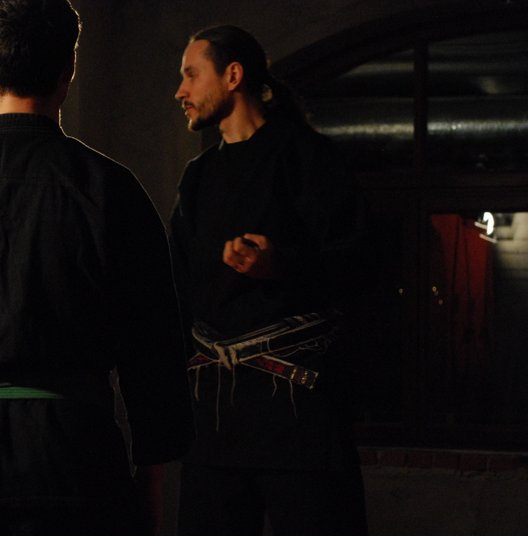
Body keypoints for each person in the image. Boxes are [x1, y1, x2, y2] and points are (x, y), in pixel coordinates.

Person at [0, 1, 194, 535]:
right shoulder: (110, 190)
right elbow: (154, 351)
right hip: (75, 464)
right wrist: (151, 482)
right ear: (68, 68)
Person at [170, 25, 369, 535]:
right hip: (214, 417)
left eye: (191, 75)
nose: (180, 91)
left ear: (233, 75)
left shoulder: (310, 159)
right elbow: (179, 286)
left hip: (298, 416)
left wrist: (280, 266)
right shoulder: (199, 177)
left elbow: (360, 265)